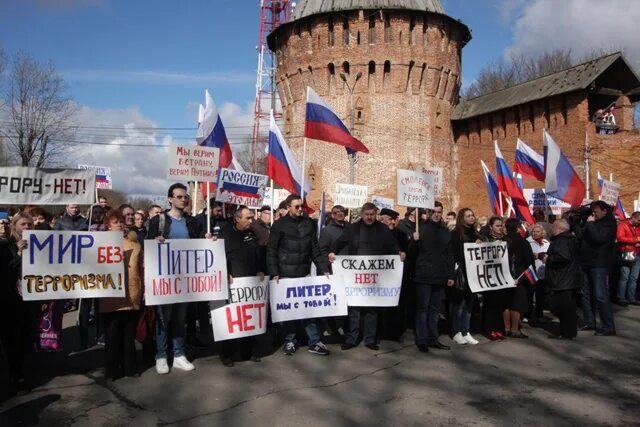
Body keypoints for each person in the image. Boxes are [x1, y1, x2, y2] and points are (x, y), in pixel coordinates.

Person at [329, 203, 402, 351]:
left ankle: (370, 339)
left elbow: (392, 245)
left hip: (375, 277)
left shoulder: (383, 230)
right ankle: (352, 339)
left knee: (372, 310)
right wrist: (332, 252)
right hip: (356, 276)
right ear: (362, 214)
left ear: (376, 215)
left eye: (372, 214)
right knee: (354, 309)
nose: (369, 217)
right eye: (367, 214)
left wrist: (400, 253)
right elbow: (340, 242)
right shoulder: (352, 229)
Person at [147, 183, 203, 374]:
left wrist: (209, 240)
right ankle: (162, 356)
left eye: (185, 196)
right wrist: (154, 241)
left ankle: (179, 355)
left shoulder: (192, 222)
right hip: (165, 280)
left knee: (180, 319)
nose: (183, 199)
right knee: (164, 319)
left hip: (185, 281)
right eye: (179, 197)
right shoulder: (159, 221)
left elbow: (199, 245)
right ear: (170, 199)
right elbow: (148, 248)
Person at [266, 194, 331, 356]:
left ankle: (314, 341)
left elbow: (314, 249)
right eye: (296, 206)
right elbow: (271, 250)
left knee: (309, 309)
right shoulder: (279, 225)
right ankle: (289, 341)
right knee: (289, 311)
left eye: (301, 206)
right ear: (288, 208)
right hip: (286, 274)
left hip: (304, 274)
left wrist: (323, 269)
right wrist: (274, 273)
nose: (300, 209)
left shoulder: (309, 224)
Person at [218, 206, 266, 366]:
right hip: (233, 281)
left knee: (249, 316)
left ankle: (247, 351)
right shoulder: (225, 233)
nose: (251, 221)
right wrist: (226, 273)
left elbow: (262, 246)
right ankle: (227, 353)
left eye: (252, 218)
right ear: (237, 219)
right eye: (248, 218)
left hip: (250, 280)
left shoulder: (252, 233)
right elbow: (220, 256)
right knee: (232, 319)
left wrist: (259, 269)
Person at [100, 210, 143, 380]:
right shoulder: (98, 244)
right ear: (108, 224)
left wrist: (144, 289)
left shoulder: (134, 244)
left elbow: (142, 268)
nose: (120, 224)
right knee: (112, 335)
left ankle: (129, 368)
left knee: (128, 334)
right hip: (110, 297)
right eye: (115, 221)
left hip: (132, 294)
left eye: (121, 221)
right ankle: (112, 370)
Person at [410, 201, 454, 352]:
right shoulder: (420, 229)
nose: (437, 214)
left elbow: (449, 255)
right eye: (434, 211)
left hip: (440, 275)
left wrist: (450, 275)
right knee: (422, 309)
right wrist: (414, 242)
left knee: (435, 310)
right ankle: (422, 339)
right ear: (428, 213)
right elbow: (411, 253)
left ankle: (433, 338)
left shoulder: (445, 231)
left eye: (439, 212)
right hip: (423, 275)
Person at [0, 212, 33, 393]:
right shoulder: (5, 246)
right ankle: (15, 376)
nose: (26, 228)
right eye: (23, 225)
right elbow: (5, 273)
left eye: (29, 225)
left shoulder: (37, 243)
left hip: (28, 300)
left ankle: (20, 370)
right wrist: (19, 253)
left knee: (24, 338)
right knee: (11, 340)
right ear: (14, 226)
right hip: (9, 300)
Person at [578, 201, 617, 336]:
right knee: (585, 294)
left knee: (600, 294)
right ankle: (589, 321)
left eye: (596, 212)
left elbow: (599, 238)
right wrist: (578, 224)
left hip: (599, 263)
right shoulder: (592, 223)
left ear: (604, 211)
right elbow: (580, 236)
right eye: (592, 212)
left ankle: (608, 326)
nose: (593, 215)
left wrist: (590, 224)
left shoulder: (609, 224)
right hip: (586, 261)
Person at [448, 208, 483, 345]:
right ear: (462, 218)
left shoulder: (476, 234)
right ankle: (456, 331)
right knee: (459, 303)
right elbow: (454, 254)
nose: (472, 218)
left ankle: (466, 330)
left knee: (470, 303)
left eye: (473, 215)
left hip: (474, 273)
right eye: (468, 216)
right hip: (461, 272)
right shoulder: (456, 234)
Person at [544, 219, 581, 339]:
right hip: (569, 278)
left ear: (559, 229)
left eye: (553, 227)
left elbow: (563, 257)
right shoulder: (570, 238)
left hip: (562, 279)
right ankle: (569, 332)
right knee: (569, 309)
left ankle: (566, 333)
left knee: (563, 308)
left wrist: (548, 259)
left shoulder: (562, 240)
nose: (551, 230)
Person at [318, 204, 349, 336]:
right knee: (333, 300)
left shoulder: (350, 228)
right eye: (337, 212)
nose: (340, 214)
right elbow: (322, 250)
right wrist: (326, 267)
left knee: (347, 301)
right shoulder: (327, 231)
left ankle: (343, 325)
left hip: (350, 271)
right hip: (333, 270)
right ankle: (330, 328)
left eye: (342, 212)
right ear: (332, 215)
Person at [504, 218, 535, 338]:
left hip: (504, 276)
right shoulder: (523, 242)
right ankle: (514, 329)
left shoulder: (504, 241)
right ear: (518, 228)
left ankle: (506, 327)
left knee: (506, 303)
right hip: (519, 276)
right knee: (517, 303)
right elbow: (529, 262)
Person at [481, 216, 511, 341]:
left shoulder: (506, 240)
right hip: (489, 276)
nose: (500, 228)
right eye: (497, 226)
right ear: (491, 227)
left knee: (500, 305)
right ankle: (489, 329)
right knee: (490, 304)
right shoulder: (485, 239)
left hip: (502, 276)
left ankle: (498, 329)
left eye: (501, 226)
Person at [527, 224, 550, 323]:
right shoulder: (528, 242)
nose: (535, 233)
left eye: (537, 232)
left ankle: (539, 314)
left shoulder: (546, 243)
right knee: (530, 294)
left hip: (543, 272)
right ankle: (528, 314)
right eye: (534, 232)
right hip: (531, 271)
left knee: (540, 295)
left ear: (542, 233)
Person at [616, 211, 640, 306]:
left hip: (637, 254)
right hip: (627, 253)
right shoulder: (623, 225)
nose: (639, 222)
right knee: (624, 277)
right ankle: (621, 298)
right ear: (633, 217)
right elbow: (620, 238)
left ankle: (631, 298)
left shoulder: (637, 226)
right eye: (638, 220)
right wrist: (635, 240)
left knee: (634, 278)